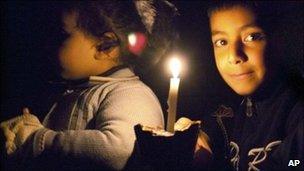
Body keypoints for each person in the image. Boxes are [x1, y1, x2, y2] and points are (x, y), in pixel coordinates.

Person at [0, 1, 178, 170]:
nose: (48, 43)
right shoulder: (75, 89)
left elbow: (118, 152)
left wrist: (37, 140)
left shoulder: (131, 94)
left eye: (62, 35)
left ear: (106, 46)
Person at [194, 2, 303, 171]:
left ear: (281, 37)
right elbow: (217, 123)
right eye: (222, 42)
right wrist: (201, 139)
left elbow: (293, 163)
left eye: (252, 37)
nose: (234, 56)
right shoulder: (238, 103)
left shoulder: (296, 113)